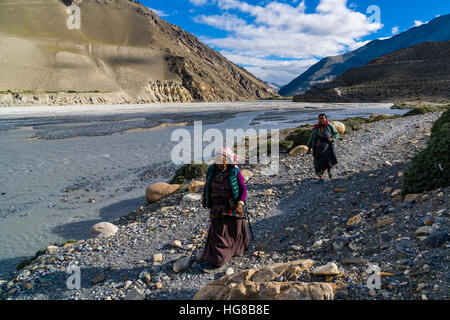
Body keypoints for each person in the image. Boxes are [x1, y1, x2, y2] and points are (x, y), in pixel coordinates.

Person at [198, 147, 249, 273]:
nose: (218, 162)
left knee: (233, 229)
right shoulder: (212, 171)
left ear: (227, 160)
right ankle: (214, 256)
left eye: (221, 160)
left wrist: (240, 203)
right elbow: (207, 185)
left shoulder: (234, 172)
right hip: (216, 206)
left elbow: (243, 189)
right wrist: (205, 198)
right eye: (217, 160)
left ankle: (219, 259)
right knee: (217, 231)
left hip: (232, 206)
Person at [307, 113, 340, 182]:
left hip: (328, 147)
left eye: (323, 118)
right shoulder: (316, 128)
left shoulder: (329, 126)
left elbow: (336, 133)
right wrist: (309, 148)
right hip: (317, 148)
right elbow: (311, 138)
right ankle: (321, 177)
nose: (322, 119)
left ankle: (329, 172)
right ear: (318, 119)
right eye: (320, 118)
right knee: (317, 162)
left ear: (325, 119)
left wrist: (332, 139)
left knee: (328, 160)